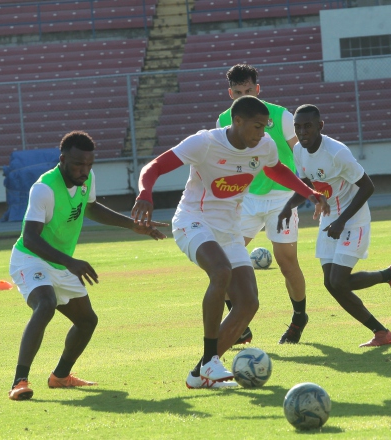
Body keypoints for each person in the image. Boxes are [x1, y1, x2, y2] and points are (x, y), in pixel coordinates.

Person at [132, 96, 328, 389]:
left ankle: (199, 374)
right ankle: (212, 360)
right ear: (237, 122)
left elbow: (276, 169)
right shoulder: (204, 143)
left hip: (229, 230)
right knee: (221, 272)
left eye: (265, 128)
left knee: (248, 302)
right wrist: (145, 193)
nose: (262, 134)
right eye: (257, 127)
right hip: (192, 221)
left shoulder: (263, 146)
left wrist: (308, 192)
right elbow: (154, 167)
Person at [8, 131, 167, 401]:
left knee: (87, 321)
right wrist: (70, 261)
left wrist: (132, 225)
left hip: (60, 262)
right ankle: (19, 382)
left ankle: (60, 376)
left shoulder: (86, 179)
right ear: (62, 159)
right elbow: (31, 238)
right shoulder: (44, 188)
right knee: (45, 304)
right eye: (78, 165)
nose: (84, 171)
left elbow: (91, 208)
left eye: (89, 165)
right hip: (30, 258)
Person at [278, 104, 391, 348]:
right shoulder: (298, 150)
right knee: (331, 284)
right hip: (330, 219)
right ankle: (381, 331)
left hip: (352, 218)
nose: (303, 132)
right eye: (298, 127)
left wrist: (342, 220)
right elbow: (307, 185)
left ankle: (389, 276)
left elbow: (368, 187)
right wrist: (289, 205)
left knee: (338, 281)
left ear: (320, 126)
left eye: (308, 126)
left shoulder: (337, 153)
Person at [216, 64, 308, 345]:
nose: (245, 95)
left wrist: (311, 185)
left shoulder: (280, 116)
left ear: (258, 89)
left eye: (249, 90)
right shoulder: (222, 121)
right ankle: (240, 327)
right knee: (222, 262)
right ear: (230, 93)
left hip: (281, 198)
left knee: (285, 261)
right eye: (239, 92)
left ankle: (298, 317)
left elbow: (300, 150)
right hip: (245, 200)